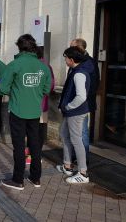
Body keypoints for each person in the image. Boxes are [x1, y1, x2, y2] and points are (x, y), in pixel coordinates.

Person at [0, 34, 51, 190]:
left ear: (19, 47)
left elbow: (3, 87)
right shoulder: (43, 66)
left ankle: (18, 180)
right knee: (35, 143)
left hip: (17, 110)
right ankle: (35, 178)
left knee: (19, 145)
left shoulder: (15, 64)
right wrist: (34, 95)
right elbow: (47, 88)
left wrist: (16, 92)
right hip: (35, 111)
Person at [56, 46, 91, 184]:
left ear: (71, 59)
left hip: (75, 113)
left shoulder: (79, 73)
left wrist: (69, 106)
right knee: (64, 134)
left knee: (76, 140)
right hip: (71, 112)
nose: (64, 60)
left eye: (65, 58)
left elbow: (81, 96)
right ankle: (67, 165)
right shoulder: (75, 71)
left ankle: (83, 173)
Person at [70, 38, 99, 159]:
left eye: (72, 46)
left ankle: (83, 161)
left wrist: (79, 101)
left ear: (79, 48)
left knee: (82, 132)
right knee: (74, 133)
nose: (70, 48)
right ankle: (75, 158)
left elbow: (93, 85)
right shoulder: (77, 60)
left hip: (83, 104)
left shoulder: (89, 63)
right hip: (75, 103)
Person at [25, 47, 55, 165]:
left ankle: (34, 155)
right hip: (38, 104)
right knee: (35, 130)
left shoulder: (43, 67)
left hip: (37, 105)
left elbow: (50, 86)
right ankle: (31, 153)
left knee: (36, 131)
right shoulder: (44, 66)